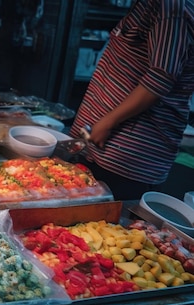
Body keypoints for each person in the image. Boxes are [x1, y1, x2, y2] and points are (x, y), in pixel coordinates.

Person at [69, 0, 194, 201]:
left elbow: (161, 77)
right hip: (101, 147)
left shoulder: (171, 8)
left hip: (127, 157)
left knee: (102, 228)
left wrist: (108, 122)